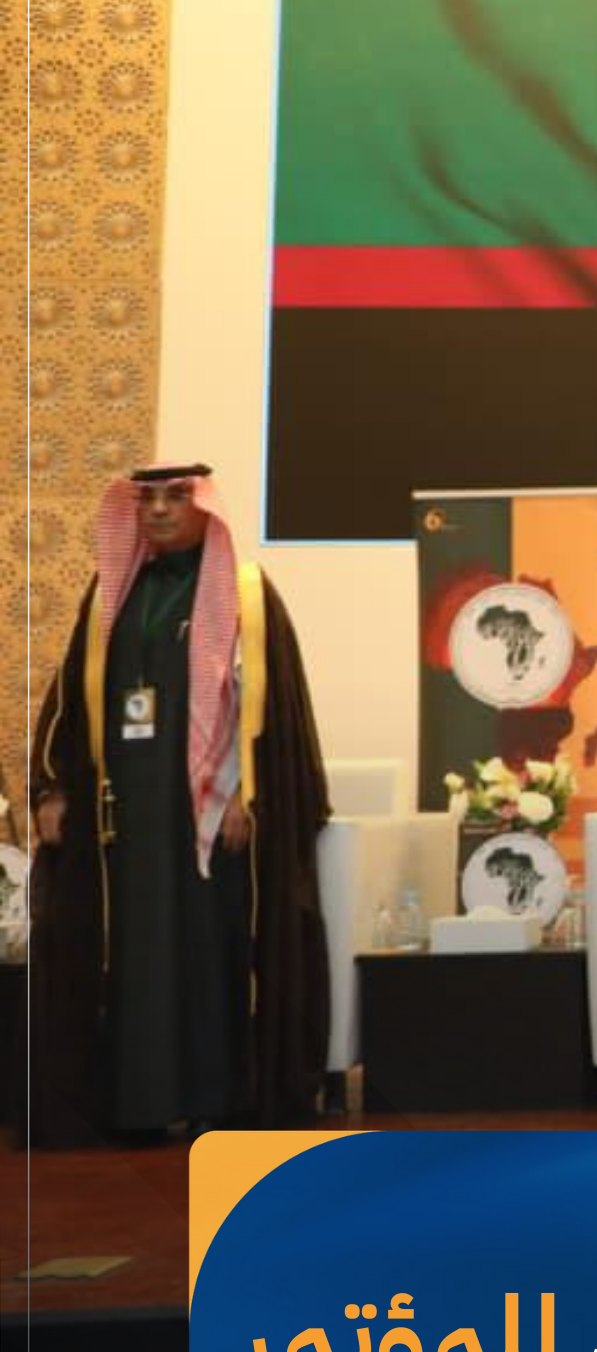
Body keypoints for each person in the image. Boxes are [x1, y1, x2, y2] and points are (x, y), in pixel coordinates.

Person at [27, 463, 330, 1144]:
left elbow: (274, 714)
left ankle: (215, 1099)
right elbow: (71, 699)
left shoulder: (246, 595)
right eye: (148, 500)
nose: (159, 511)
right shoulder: (111, 592)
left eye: (176, 497)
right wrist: (54, 786)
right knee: (132, 957)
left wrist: (249, 797)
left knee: (207, 952)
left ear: (205, 508)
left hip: (210, 821)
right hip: (125, 821)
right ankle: (137, 1104)